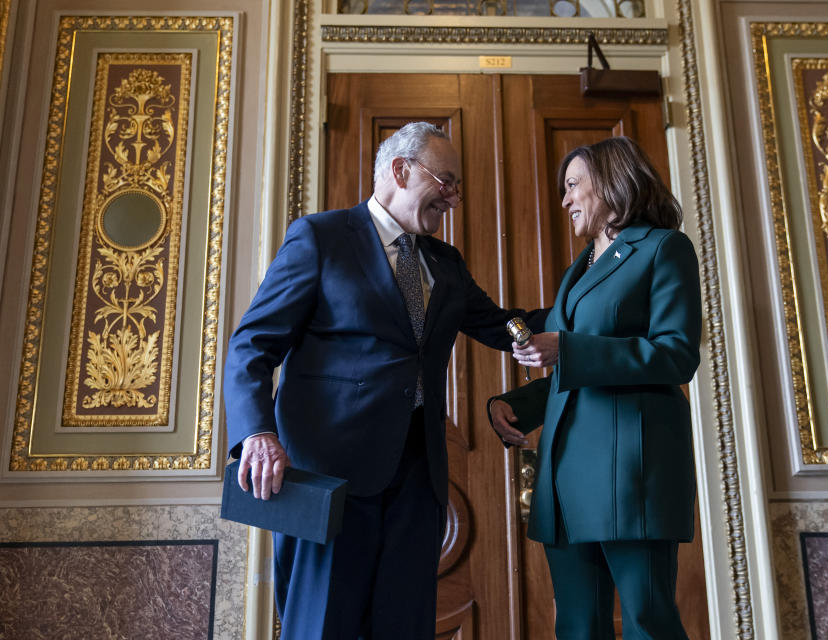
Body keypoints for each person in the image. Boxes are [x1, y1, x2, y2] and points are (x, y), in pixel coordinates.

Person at [223, 122, 546, 640]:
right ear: (401, 170)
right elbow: (251, 347)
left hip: (418, 479)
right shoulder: (322, 238)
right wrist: (257, 435)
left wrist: (587, 310)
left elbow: (502, 324)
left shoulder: (446, 262)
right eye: (447, 180)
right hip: (329, 478)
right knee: (322, 627)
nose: (455, 197)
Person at [488, 136, 701, 640]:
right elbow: (573, 369)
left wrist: (567, 347)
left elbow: (676, 355)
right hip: (565, 479)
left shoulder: (664, 248)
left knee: (649, 625)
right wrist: (515, 406)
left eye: (572, 185)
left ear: (609, 182)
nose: (564, 200)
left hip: (631, 476)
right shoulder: (578, 269)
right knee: (578, 629)